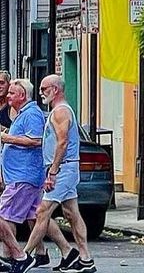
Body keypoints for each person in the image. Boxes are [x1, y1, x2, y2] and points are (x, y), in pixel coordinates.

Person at [17, 76, 93, 273]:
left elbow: (62, 142)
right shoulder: (57, 111)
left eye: (44, 88)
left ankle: (25, 256)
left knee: (42, 212)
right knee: (71, 213)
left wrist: (53, 171)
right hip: (65, 168)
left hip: (63, 168)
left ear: (56, 89)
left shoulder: (60, 112)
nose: (41, 92)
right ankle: (85, 260)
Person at [0, 80, 70, 272]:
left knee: (4, 217)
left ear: (22, 96)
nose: (8, 96)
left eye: (12, 93)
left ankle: (14, 256)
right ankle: (61, 251)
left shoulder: (31, 114)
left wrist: (6, 138)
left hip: (24, 177)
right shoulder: (23, 114)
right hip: (24, 176)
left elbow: (36, 141)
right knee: (38, 216)